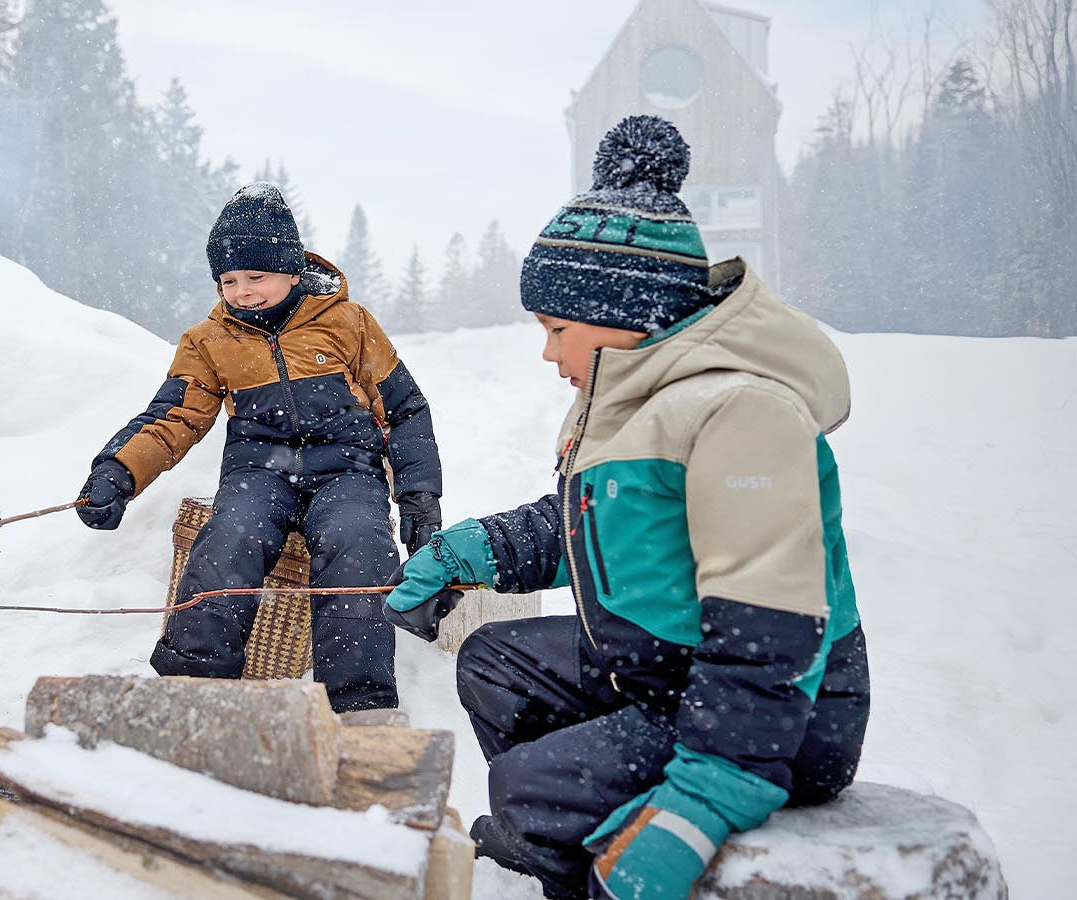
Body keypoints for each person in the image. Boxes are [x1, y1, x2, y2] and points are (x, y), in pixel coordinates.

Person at [383, 117, 870, 899]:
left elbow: (768, 636)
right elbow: (583, 524)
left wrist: (706, 797)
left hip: (782, 718)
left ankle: (588, 838)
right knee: (494, 664)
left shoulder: (741, 412)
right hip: (662, 674)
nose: (548, 353)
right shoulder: (633, 405)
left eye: (557, 329)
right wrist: (467, 551)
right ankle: (584, 804)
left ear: (628, 312)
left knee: (525, 791)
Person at [78, 183, 442, 713]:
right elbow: (173, 416)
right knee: (228, 539)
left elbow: (406, 409)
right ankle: (190, 692)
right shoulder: (209, 340)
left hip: (347, 474)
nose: (243, 291)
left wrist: (419, 496)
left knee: (359, 544)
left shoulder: (348, 323)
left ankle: (361, 707)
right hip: (258, 473)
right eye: (229, 280)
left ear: (293, 271)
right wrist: (117, 472)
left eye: (257, 276)